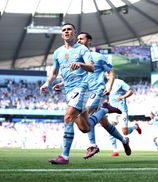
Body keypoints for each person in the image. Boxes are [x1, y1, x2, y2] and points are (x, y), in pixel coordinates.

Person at [48, 32, 131, 164]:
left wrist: (109, 86)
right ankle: (123, 139)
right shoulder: (78, 56)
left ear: (89, 41)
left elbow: (110, 72)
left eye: (82, 39)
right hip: (82, 90)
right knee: (103, 123)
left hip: (95, 90)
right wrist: (62, 83)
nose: (79, 41)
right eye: (78, 39)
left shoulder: (98, 57)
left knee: (83, 114)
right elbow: (78, 76)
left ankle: (92, 145)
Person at [40, 23, 94, 134]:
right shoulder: (57, 52)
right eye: (64, 30)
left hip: (81, 87)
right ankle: (102, 113)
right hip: (68, 90)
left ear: (74, 33)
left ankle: (64, 152)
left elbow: (92, 68)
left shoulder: (82, 49)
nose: (66, 31)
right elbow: (54, 73)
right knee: (85, 128)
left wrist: (80, 64)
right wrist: (47, 83)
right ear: (61, 35)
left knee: (68, 117)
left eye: (69, 29)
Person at [105, 73, 142, 156]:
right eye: (106, 73)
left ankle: (135, 126)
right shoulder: (106, 85)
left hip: (122, 110)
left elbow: (131, 91)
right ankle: (115, 150)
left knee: (125, 132)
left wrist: (122, 97)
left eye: (109, 73)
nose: (107, 74)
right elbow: (108, 97)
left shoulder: (120, 82)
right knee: (110, 129)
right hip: (112, 110)